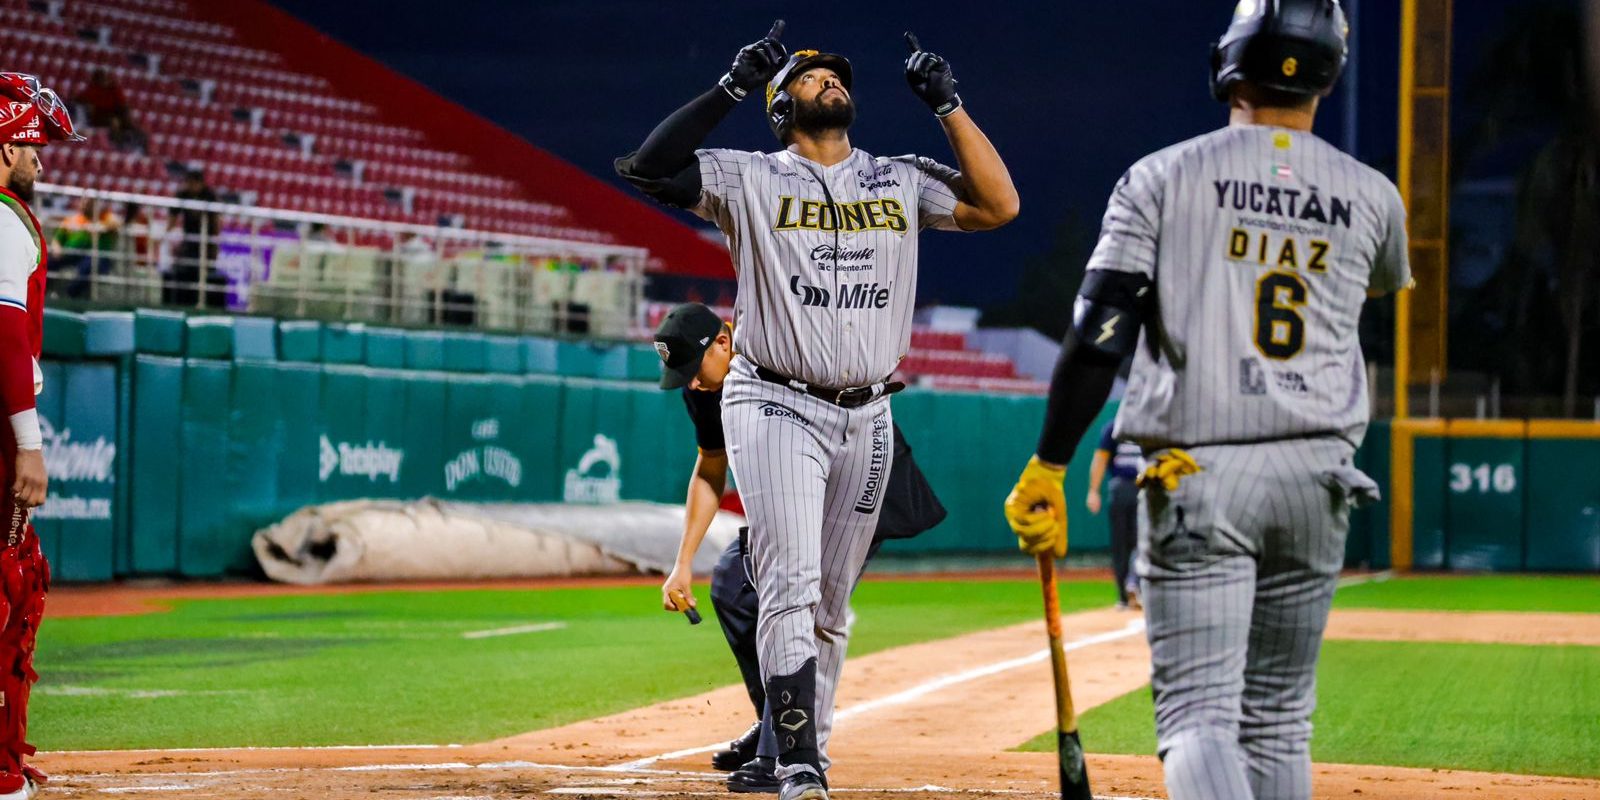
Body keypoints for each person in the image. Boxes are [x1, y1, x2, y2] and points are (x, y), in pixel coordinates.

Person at [1002, 3, 1409, 799]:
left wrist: (1050, 461)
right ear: (1330, 69)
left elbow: (1098, 334)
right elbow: (1377, 289)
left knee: (1198, 719)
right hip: (1321, 476)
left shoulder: (1163, 175)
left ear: (1229, 61)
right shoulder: (1373, 194)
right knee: (1279, 720)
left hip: (1204, 473)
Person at [616, 21, 1017, 800]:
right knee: (789, 582)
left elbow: (999, 205)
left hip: (869, 414)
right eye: (809, 76)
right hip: (774, 399)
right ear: (779, 107)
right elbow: (648, 166)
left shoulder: (900, 177)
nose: (830, 79)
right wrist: (730, 86)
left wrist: (951, 106)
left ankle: (790, 749)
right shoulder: (750, 177)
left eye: (835, 75)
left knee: (830, 604)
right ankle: (801, 764)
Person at [651, 303, 946, 793]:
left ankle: (780, 752)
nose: (692, 384)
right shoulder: (705, 391)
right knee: (732, 582)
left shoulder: (778, 354)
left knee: (800, 598)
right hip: (800, 489)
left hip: (864, 482)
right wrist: (682, 564)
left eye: (693, 369)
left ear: (724, 342)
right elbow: (709, 467)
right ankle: (777, 721)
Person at [0, 70, 85, 800]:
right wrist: (27, 443)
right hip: (0, 430)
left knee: (18, 581)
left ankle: (5, 754)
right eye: (32, 145)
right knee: (5, 590)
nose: (40, 160)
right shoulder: (2, 217)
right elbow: (5, 331)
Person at [1085, 419, 1142, 609]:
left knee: (1133, 542)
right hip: (1129, 488)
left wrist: (1093, 490)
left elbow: (1100, 459)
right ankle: (1129, 589)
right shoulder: (1115, 428)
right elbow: (1101, 458)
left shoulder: (1118, 426)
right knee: (1129, 543)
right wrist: (1093, 490)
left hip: (1137, 488)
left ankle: (1129, 590)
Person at [168, 169, 221, 308]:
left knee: (203, 274)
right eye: (188, 183)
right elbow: (172, 218)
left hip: (206, 243)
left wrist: (214, 245)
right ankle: (183, 303)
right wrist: (165, 236)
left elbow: (216, 223)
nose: (190, 186)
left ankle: (202, 303)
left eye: (193, 183)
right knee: (185, 272)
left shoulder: (209, 195)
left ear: (200, 183)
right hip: (189, 242)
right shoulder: (182, 194)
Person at [51, 197, 121, 299]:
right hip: (71, 254)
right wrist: (56, 248)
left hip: (98, 257)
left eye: (89, 203)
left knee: (87, 267)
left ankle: (69, 295)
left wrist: (102, 227)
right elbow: (57, 238)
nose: (85, 205)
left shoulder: (105, 217)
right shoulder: (73, 219)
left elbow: (117, 223)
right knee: (48, 262)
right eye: (84, 202)